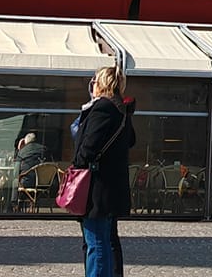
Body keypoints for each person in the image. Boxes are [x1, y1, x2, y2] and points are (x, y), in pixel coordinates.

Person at [71, 66, 135, 277]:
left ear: (102, 83)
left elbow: (89, 146)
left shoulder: (103, 109)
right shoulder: (120, 110)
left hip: (98, 186)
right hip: (110, 185)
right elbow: (131, 140)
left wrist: (78, 164)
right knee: (105, 241)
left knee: (96, 243)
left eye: (94, 81)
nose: (93, 85)